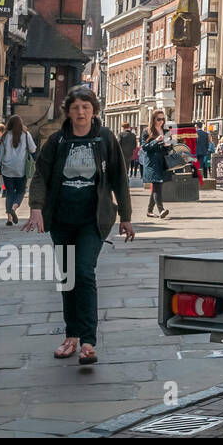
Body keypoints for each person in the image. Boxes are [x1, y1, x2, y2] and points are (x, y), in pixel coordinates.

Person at [22, 85, 134, 366]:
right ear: (68, 112)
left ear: (94, 110)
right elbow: (40, 176)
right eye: (75, 108)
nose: (81, 112)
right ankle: (70, 336)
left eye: (86, 107)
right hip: (61, 220)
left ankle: (87, 341)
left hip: (93, 221)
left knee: (83, 272)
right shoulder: (58, 140)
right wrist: (36, 208)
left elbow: (120, 178)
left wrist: (126, 217)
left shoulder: (105, 138)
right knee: (68, 277)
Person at [0, 115, 36, 225]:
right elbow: (33, 149)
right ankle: (14, 208)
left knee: (9, 192)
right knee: (20, 191)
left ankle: (9, 219)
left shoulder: (5, 136)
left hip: (7, 169)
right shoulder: (26, 135)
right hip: (21, 169)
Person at [140, 110, 174, 218]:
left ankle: (149, 210)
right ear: (153, 119)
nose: (161, 121)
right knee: (157, 184)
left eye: (163, 119)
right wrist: (156, 141)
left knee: (157, 185)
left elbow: (171, 147)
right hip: (152, 162)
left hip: (163, 162)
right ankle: (161, 210)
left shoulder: (166, 131)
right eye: (158, 119)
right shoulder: (147, 131)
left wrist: (168, 145)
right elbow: (144, 147)